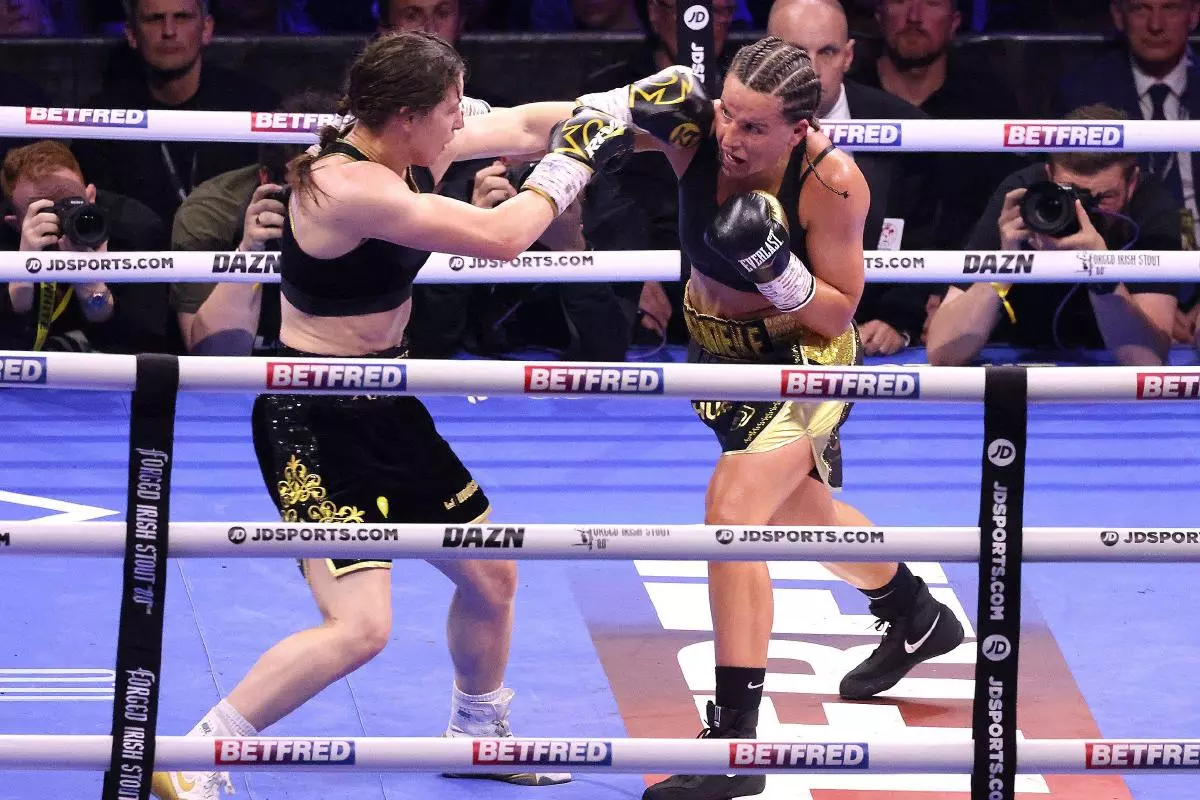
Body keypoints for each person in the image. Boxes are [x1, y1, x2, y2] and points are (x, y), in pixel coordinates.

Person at [151, 29, 631, 800]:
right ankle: (193, 754)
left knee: (491, 574)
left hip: (387, 403)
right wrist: (573, 159)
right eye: (450, 109)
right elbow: (502, 238)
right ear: (406, 115)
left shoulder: (406, 146)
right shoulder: (346, 185)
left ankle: (477, 736)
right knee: (361, 627)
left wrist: (630, 107)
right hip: (312, 417)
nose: (460, 122)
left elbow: (524, 123)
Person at [575, 36, 964, 800]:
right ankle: (914, 613)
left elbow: (839, 309)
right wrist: (468, 127)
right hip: (717, 353)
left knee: (733, 517)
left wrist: (778, 271)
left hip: (804, 364)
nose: (730, 135)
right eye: (728, 112)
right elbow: (562, 124)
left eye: (754, 127)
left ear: (798, 128)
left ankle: (735, 744)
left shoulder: (832, 181)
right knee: (798, 512)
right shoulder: (695, 129)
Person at [927, 104, 1179, 366]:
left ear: (1132, 183)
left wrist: (1101, 272)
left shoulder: (1151, 205)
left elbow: (1147, 361)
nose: (1083, 209)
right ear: (1048, 175)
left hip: (1109, 365)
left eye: (1104, 197)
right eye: (1070, 194)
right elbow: (943, 353)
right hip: (1017, 357)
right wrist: (1004, 266)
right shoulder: (1023, 199)